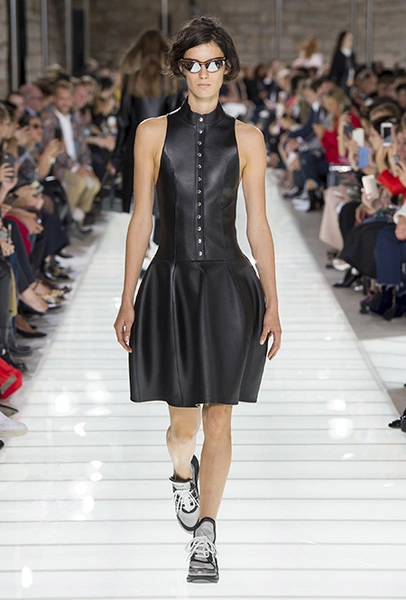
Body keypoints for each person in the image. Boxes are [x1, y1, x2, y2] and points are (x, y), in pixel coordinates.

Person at [114, 16, 281, 584]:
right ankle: (180, 475)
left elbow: (258, 226)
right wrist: (127, 297)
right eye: (194, 63)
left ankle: (206, 535)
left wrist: (273, 302)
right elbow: (142, 219)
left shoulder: (248, 139)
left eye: (213, 63)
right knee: (183, 427)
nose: (204, 72)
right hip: (171, 284)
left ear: (226, 68)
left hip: (230, 287)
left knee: (221, 417)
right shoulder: (152, 133)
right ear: (180, 68)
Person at [111, 29, 183, 217]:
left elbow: (123, 121)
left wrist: (117, 156)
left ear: (140, 50)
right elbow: (177, 119)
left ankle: (144, 238)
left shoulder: (131, 80)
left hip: (136, 146)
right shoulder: (171, 82)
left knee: (139, 207)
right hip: (164, 148)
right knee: (163, 205)